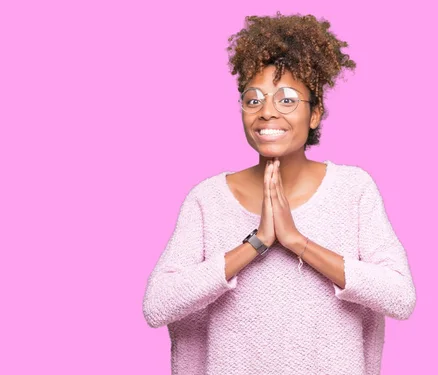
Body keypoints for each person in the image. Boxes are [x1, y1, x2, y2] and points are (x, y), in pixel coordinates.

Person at [141, 12, 416, 375]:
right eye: (253, 100)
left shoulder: (354, 190)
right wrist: (257, 243)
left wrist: (296, 241)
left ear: (315, 113)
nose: (267, 112)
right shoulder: (207, 199)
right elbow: (158, 305)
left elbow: (399, 297)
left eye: (286, 100)